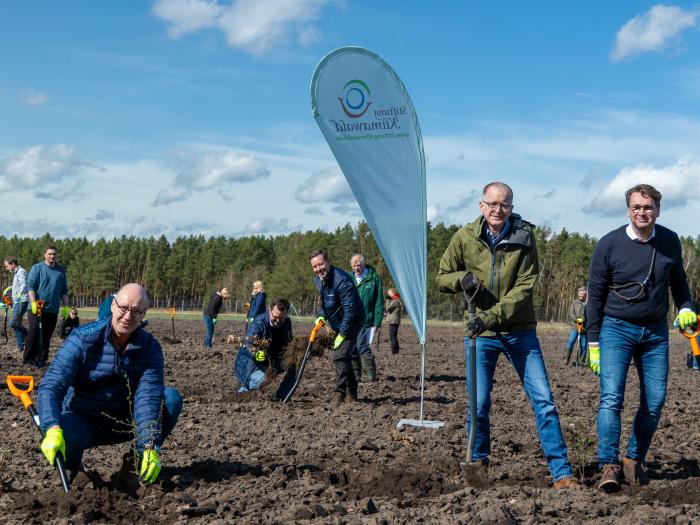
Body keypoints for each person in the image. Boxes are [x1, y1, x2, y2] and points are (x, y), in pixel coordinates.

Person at [436, 181, 577, 489]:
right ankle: (478, 462)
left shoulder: (525, 237)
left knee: (544, 402)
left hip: (519, 331)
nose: (499, 210)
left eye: (505, 205)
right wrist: (464, 278)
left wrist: (491, 316)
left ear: (512, 207)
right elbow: (442, 278)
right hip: (480, 335)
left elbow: (525, 288)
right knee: (479, 403)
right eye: (494, 204)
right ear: (482, 205)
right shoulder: (464, 238)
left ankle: (562, 473)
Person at [586, 183, 695, 492]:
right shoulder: (608, 244)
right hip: (616, 329)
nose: (642, 212)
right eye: (636, 207)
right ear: (627, 210)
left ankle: (634, 459)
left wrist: (687, 307)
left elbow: (680, 284)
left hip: (655, 333)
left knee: (655, 400)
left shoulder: (670, 241)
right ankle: (609, 464)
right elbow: (594, 298)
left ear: (657, 210)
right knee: (611, 398)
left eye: (648, 207)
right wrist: (594, 344)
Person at [37, 284, 182, 485]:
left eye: (136, 311)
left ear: (144, 314)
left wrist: (149, 445)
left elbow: (147, 397)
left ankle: (135, 466)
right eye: (123, 308)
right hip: (83, 418)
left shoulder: (150, 348)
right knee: (65, 433)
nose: (128, 316)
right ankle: (74, 472)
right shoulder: (82, 339)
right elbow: (52, 385)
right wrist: (52, 427)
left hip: (124, 420)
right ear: (113, 305)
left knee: (171, 399)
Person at [310, 249, 364, 406]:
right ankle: (352, 394)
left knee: (339, 356)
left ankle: (339, 394)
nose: (318, 268)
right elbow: (326, 303)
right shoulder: (319, 280)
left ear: (328, 262)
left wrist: (343, 334)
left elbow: (350, 310)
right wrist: (321, 315)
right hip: (338, 320)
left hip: (353, 321)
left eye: (321, 264)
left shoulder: (342, 281)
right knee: (345, 357)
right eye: (315, 266)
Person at [234, 298, 295, 399]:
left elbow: (288, 342)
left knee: (296, 365)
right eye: (275, 317)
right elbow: (247, 342)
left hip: (271, 360)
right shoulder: (259, 323)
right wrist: (255, 353)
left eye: (282, 318)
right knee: (264, 379)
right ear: (269, 310)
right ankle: (243, 393)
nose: (278, 321)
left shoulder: (287, 322)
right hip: (250, 364)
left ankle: (282, 396)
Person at [24, 245, 70, 368]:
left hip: (52, 309)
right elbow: (31, 287)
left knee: (46, 335)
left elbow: (64, 291)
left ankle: (42, 359)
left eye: (54, 254)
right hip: (36, 307)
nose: (52, 256)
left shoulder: (60, 271)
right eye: (49, 254)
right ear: (45, 255)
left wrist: (66, 307)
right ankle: (28, 359)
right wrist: (33, 303)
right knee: (34, 331)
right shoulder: (37, 268)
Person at [349, 254, 383, 382]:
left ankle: (371, 375)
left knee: (362, 345)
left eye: (359, 265)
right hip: (350, 318)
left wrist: (378, 320)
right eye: (354, 266)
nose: (357, 268)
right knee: (351, 346)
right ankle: (356, 374)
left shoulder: (374, 278)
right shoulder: (348, 277)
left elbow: (379, 300)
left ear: (364, 265)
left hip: (365, 318)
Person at [4, 256, 29, 353]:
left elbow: (24, 284)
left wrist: (18, 295)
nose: (6, 268)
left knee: (13, 323)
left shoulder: (21, 271)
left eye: (7, 266)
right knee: (17, 323)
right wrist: (11, 287)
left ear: (13, 264)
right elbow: (19, 284)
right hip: (18, 302)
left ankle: (29, 334)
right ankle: (20, 345)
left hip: (21, 301)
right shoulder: (16, 273)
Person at [565, 287, 588, 365]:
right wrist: (576, 320)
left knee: (584, 346)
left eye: (581, 294)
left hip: (584, 329)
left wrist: (584, 321)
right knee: (571, 342)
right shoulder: (574, 302)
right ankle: (566, 359)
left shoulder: (588, 304)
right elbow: (571, 314)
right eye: (579, 294)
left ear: (585, 294)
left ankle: (581, 361)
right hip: (575, 327)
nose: (579, 295)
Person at [385, 288, 403, 354]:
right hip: (394, 321)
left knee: (392, 336)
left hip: (394, 321)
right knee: (394, 336)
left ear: (393, 293)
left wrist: (387, 300)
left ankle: (394, 351)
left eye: (389, 293)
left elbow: (388, 308)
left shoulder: (396, 300)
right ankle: (396, 349)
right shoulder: (395, 300)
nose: (388, 294)